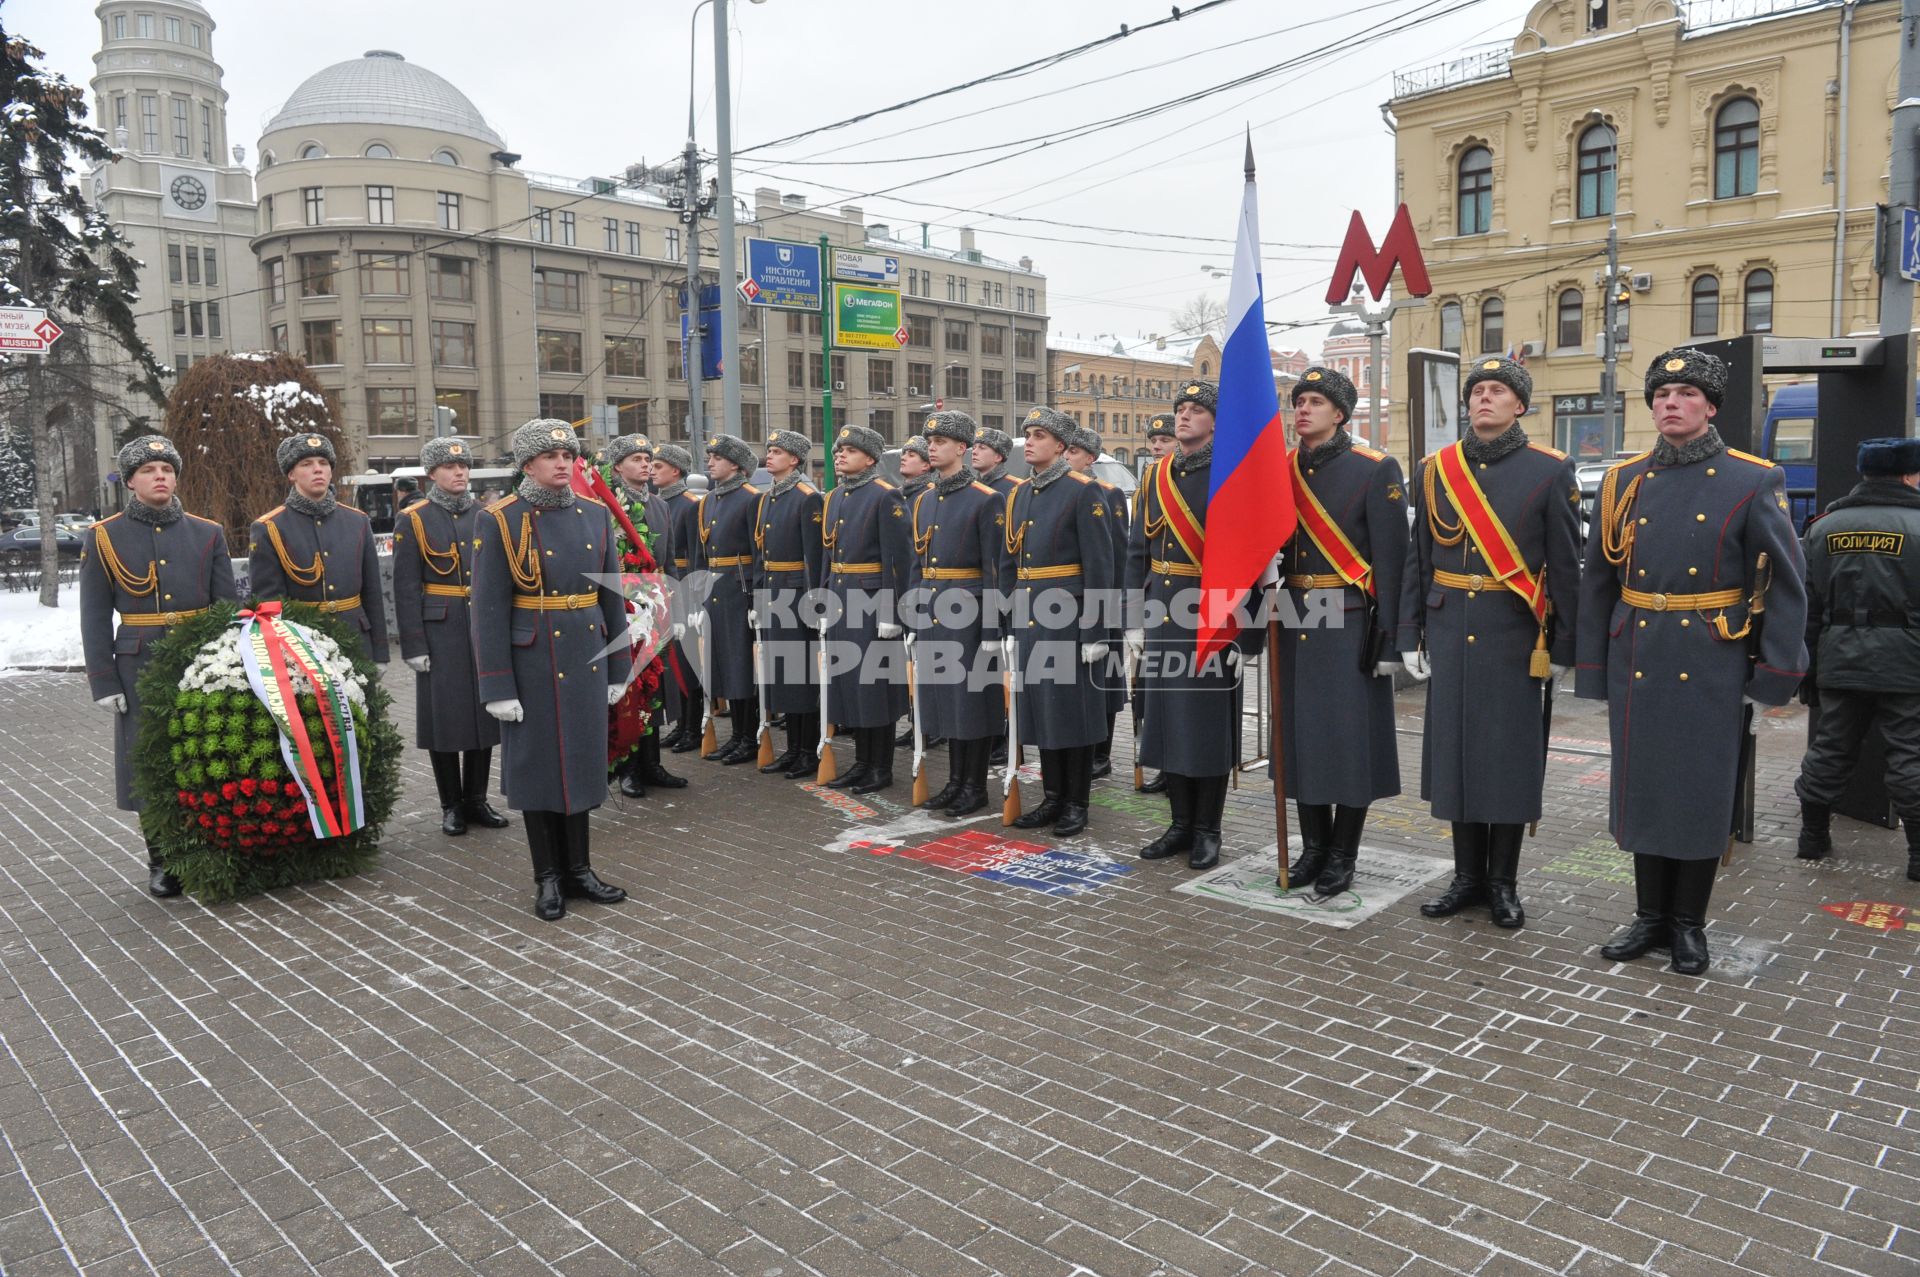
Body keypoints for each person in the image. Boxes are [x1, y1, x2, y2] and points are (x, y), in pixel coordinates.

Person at [1579, 349, 1809, 972]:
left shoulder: (1752, 478)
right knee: (1643, 790)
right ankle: (1648, 916)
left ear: (1710, 407)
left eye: (1684, 394)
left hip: (1709, 655)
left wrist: (1775, 677)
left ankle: (1688, 923)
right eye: (1660, 394)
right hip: (1638, 653)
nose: (1670, 403)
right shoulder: (1623, 480)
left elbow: (1788, 584)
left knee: (1699, 794)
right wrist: (1593, 669)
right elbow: (1598, 578)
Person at [1400, 356, 1581, 929]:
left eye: (1497, 391)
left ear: (1519, 405)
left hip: (1514, 634)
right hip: (1451, 626)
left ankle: (1502, 882)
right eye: (1477, 390)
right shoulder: (1436, 469)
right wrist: (1411, 633)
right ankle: (1465, 878)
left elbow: (1566, 565)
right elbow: (1420, 558)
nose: (1483, 398)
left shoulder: (1549, 469)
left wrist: (1566, 647)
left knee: (1505, 760)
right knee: (1457, 757)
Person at [470, 420, 632, 921]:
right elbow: (489, 608)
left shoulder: (595, 514)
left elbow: (611, 594)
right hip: (531, 659)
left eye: (570, 455)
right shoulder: (499, 520)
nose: (564, 463)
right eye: (551, 456)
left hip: (584, 654)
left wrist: (618, 666)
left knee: (582, 765)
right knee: (539, 770)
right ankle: (547, 877)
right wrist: (496, 683)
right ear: (527, 465)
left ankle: (580, 870)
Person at [80, 435, 238, 896]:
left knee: (203, 756)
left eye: (167, 469)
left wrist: (230, 661)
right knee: (151, 763)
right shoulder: (105, 535)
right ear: (131, 481)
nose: (160, 477)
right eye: (149, 470)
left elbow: (225, 604)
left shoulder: (207, 532)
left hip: (199, 657)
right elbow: (93, 614)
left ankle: (208, 846)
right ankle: (163, 859)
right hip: (139, 662)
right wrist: (103, 679)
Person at [1272, 367, 1409, 896]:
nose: (1303, 409)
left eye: (1315, 402)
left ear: (1340, 414)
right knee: (1300, 736)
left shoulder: (1374, 469)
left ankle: (1342, 855)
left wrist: (1396, 639)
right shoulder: (1280, 469)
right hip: (1295, 611)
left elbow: (1393, 563)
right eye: (1299, 400)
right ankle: (1312, 848)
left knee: (1347, 741)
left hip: (1349, 614)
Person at [1124, 381, 1258, 870]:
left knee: (1204, 726)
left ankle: (1208, 829)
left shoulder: (1233, 474)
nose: (1184, 417)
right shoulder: (1155, 475)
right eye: (1180, 408)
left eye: (1196, 409)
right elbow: (1138, 549)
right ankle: (1179, 824)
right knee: (1163, 721)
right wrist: (1132, 616)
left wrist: (1245, 633)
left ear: (1216, 422)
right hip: (1162, 611)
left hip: (1211, 613)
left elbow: (1251, 559)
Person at [1795, 436, 1920, 882]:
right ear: (1909, 475)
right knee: (1910, 754)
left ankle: (1811, 838)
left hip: (1839, 657)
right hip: (1908, 663)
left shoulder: (1824, 527)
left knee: (1830, 748)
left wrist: (1807, 668)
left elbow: (1805, 606)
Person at [1003, 407, 1115, 837]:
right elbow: (1008, 565)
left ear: (1062, 447)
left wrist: (1096, 631)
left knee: (1073, 712)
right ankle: (1052, 798)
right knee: (1043, 712)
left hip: (1069, 618)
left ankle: (1076, 803)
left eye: (1039, 435)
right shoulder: (1019, 495)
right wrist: (1008, 623)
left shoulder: (1082, 492)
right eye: (1027, 433)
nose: (1029, 441)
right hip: (1031, 617)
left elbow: (1099, 565)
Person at [390, 436, 509, 837]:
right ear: (431, 475)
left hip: (482, 625)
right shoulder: (415, 518)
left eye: (464, 467)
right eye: (449, 468)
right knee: (444, 720)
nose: (459, 473)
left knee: (483, 716)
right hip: (440, 629)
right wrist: (414, 644)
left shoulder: (486, 514)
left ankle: (477, 799)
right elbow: (405, 587)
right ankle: (450, 804)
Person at [904, 411, 1004, 816]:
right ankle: (954, 781)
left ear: (962, 448)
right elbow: (917, 560)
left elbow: (995, 569)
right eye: (930, 440)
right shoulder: (925, 499)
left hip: (970, 610)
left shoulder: (986, 498)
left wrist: (994, 627)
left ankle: (974, 786)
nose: (932, 446)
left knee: (970, 703)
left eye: (941, 441)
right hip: (931, 609)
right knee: (943, 701)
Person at [819, 424, 911, 793]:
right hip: (842, 599)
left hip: (872, 602)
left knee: (875, 687)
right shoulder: (836, 496)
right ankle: (862, 762)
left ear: (870, 458)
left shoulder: (885, 496)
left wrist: (891, 612)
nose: (839, 455)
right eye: (838, 449)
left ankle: (880, 767)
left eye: (850, 450)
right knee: (850, 687)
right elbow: (829, 554)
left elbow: (898, 560)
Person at [248, 433, 389, 663]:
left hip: (356, 641)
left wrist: (380, 652)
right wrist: (277, 657)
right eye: (307, 464)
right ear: (291, 474)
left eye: (323, 463)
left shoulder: (357, 521)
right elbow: (269, 601)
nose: (317, 469)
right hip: (302, 645)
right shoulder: (270, 527)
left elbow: (372, 592)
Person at [599, 435, 680, 799]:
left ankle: (652, 763)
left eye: (648, 458)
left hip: (655, 603)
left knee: (655, 684)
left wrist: (675, 607)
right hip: (624, 606)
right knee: (629, 684)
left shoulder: (660, 506)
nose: (646, 464)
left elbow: (670, 560)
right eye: (636, 458)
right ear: (617, 467)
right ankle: (628, 768)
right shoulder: (605, 505)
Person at [753, 430, 825, 779]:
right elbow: (759, 552)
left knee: (801, 678)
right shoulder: (769, 498)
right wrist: (757, 592)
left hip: (796, 594)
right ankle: (792, 749)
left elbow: (813, 555)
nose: (769, 456)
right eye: (769, 450)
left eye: (777, 451)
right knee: (782, 676)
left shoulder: (806, 496)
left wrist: (813, 600)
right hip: (773, 590)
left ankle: (808, 751)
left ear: (794, 460)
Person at [689, 434, 762, 763]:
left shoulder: (751, 499)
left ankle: (749, 736)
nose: (710, 461)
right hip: (715, 593)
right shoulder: (708, 501)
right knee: (724, 665)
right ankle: (737, 735)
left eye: (717, 457)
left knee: (742, 666)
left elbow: (759, 553)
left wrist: (756, 600)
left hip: (740, 590)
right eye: (709, 456)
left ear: (735, 464)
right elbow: (700, 556)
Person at [1067, 426, 1128, 780]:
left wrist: (1115, 604)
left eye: (1074, 452)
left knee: (1105, 679)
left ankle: (1101, 753)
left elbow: (1116, 553)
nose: (1066, 456)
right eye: (1065, 450)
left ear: (1090, 458)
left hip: (1105, 599)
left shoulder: (1109, 493)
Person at [652, 444, 705, 753]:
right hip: (663, 586)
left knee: (688, 662)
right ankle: (680, 724)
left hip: (683, 583)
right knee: (670, 663)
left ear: (675, 470)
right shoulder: (657, 503)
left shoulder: (689, 504)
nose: (653, 470)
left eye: (659, 466)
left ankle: (693, 727)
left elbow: (699, 553)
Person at [972, 427, 1021, 498]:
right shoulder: (971, 486)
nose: (974, 452)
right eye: (974, 448)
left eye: (982, 448)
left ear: (998, 457)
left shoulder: (1017, 488)